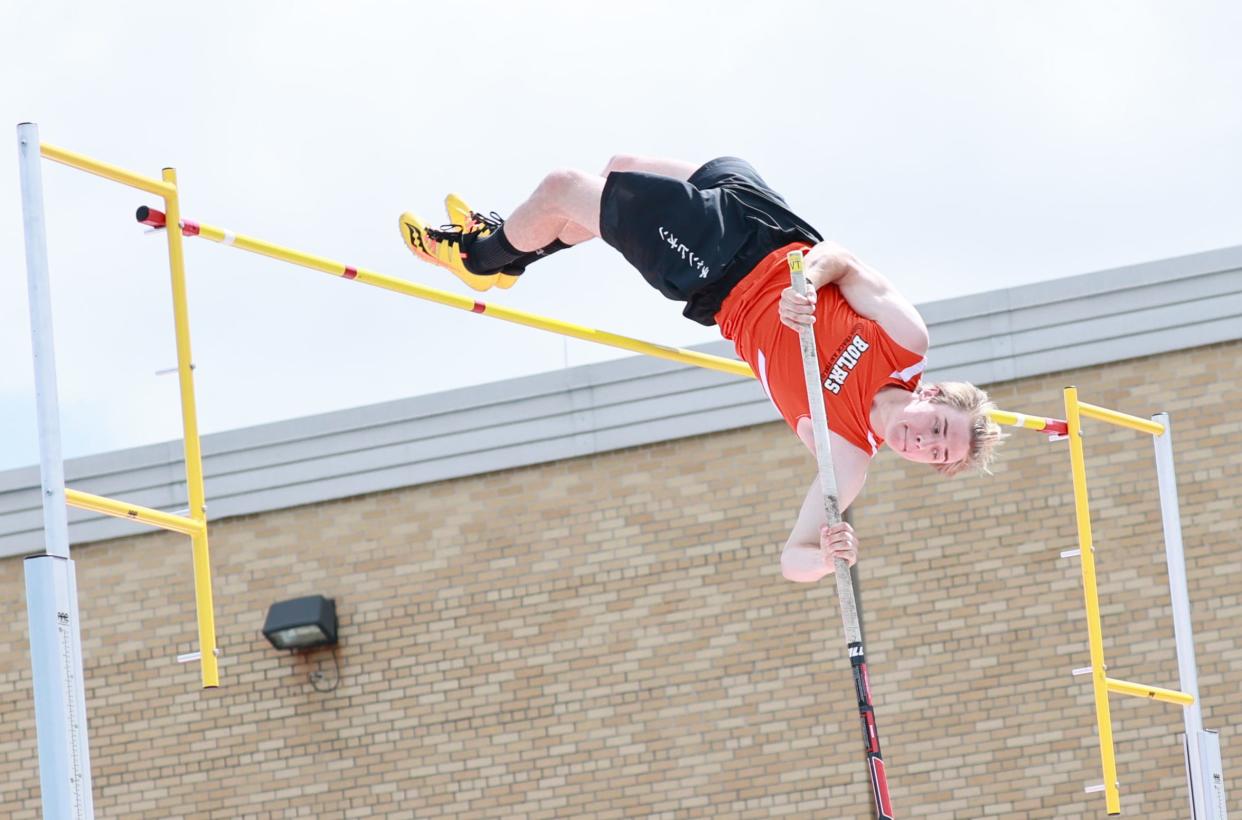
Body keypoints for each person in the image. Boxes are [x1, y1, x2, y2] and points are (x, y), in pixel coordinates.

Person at [399, 155, 1003, 582]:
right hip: (769, 225)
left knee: (564, 188)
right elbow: (842, 259)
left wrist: (826, 556)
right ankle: (515, 248)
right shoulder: (905, 342)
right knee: (617, 167)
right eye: (938, 430)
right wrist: (810, 283)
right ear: (935, 395)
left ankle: (483, 257)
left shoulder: (845, 457)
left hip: (715, 271)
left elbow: (791, 558)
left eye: (935, 456)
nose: (923, 443)